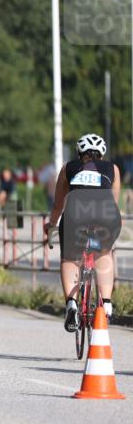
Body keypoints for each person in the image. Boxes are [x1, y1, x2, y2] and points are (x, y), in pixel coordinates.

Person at [46, 133, 122, 330]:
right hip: (105, 215)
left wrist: (51, 225)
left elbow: (58, 206)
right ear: (102, 154)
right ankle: (106, 304)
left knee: (70, 259)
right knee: (103, 253)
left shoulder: (68, 168)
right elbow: (114, 202)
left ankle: (71, 305)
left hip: (75, 214)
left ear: (79, 153)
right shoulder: (112, 169)